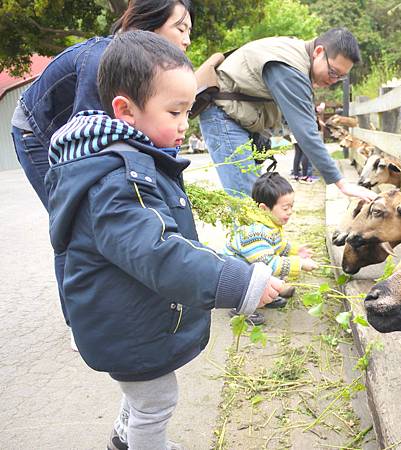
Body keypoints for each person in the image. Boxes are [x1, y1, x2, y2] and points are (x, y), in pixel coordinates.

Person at [45, 31, 283, 450]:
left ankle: (125, 438)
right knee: (156, 402)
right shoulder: (117, 181)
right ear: (126, 111)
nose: (184, 124)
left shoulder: (119, 161)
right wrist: (238, 282)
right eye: (174, 111)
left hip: (121, 313)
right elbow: (159, 252)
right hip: (124, 324)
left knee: (140, 396)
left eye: (188, 111)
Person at [10, 0, 194, 336]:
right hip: (37, 132)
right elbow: (89, 144)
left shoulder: (148, 70)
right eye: (180, 28)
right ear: (148, 22)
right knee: (74, 219)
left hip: (73, 130)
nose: (187, 40)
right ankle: (81, 323)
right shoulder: (104, 60)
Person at [199, 28, 377, 202]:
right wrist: (341, 183)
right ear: (318, 52)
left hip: (240, 118)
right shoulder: (290, 68)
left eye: (340, 77)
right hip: (223, 116)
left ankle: (262, 232)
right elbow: (306, 132)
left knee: (258, 199)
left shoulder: (297, 56)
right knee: (248, 204)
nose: (333, 81)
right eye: (333, 72)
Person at [225, 172, 318, 324]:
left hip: (252, 268)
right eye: (285, 208)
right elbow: (268, 263)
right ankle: (242, 308)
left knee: (272, 272)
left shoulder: (270, 224)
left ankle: (264, 296)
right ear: (264, 208)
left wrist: (295, 251)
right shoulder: (254, 232)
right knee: (268, 272)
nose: (290, 212)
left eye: (291, 207)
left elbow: (277, 245)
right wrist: (299, 264)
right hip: (234, 278)